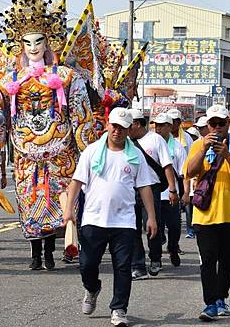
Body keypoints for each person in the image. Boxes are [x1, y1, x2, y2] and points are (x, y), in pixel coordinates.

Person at [63, 107, 157, 327]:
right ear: (108, 125)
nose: (117, 131)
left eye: (123, 128)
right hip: (93, 220)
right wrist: (69, 210)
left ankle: (119, 308)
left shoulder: (135, 156)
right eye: (114, 126)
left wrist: (151, 217)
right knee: (87, 265)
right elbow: (76, 182)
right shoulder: (92, 151)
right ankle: (92, 288)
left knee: (123, 267)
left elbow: (144, 187)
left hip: (124, 221)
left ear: (129, 129)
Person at [184, 104, 230, 321]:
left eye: (220, 123)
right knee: (207, 259)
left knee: (225, 261)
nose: (216, 128)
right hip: (204, 214)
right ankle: (210, 303)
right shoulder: (198, 145)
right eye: (212, 124)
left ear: (228, 124)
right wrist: (204, 148)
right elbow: (189, 171)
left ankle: (222, 297)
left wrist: (229, 157)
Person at [128, 108, 177, 279]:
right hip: (131, 189)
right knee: (132, 227)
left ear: (137, 124)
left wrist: (172, 189)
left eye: (128, 125)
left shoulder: (155, 140)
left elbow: (167, 165)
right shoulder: (126, 141)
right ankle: (138, 265)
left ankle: (155, 258)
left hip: (152, 188)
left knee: (151, 225)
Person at [153, 113, 188, 267]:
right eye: (156, 125)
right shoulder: (150, 144)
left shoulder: (178, 147)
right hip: (153, 194)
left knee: (174, 227)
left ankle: (173, 248)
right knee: (156, 229)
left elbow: (184, 174)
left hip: (171, 195)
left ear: (170, 126)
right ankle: (157, 258)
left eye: (162, 126)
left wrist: (186, 193)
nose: (158, 129)